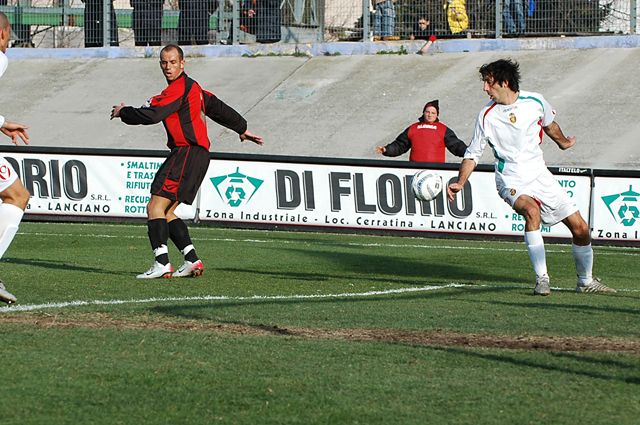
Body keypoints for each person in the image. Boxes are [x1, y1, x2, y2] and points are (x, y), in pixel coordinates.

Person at [447, 59, 615, 296]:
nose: (485, 88)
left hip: (540, 175)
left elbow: (549, 124)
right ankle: (542, 278)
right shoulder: (486, 115)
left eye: (488, 82)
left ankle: (585, 281)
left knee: (581, 229)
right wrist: (460, 182)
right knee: (531, 211)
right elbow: (472, 153)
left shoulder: (535, 101)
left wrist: (564, 142)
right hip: (511, 178)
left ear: (504, 82)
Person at [110, 44, 263, 279]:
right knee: (168, 211)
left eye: (172, 62)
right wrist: (241, 128)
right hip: (198, 156)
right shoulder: (195, 88)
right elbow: (217, 107)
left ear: (183, 63)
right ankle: (192, 259)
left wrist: (124, 112)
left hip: (186, 153)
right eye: (163, 62)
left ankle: (161, 263)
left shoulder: (178, 89)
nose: (168, 67)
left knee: (155, 207)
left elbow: (153, 115)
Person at [0, 12, 31, 304]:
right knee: (17, 196)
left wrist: (1, 121)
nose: (9, 42)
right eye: (9, 35)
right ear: (1, 34)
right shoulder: (0, 58)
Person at [375, 100, 467, 162]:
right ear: (423, 113)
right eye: (427, 112)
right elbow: (400, 145)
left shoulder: (443, 129)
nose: (430, 115)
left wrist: (469, 152)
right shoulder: (413, 128)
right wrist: (387, 149)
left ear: (437, 115)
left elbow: (455, 145)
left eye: (433, 113)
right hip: (415, 170)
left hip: (437, 171)